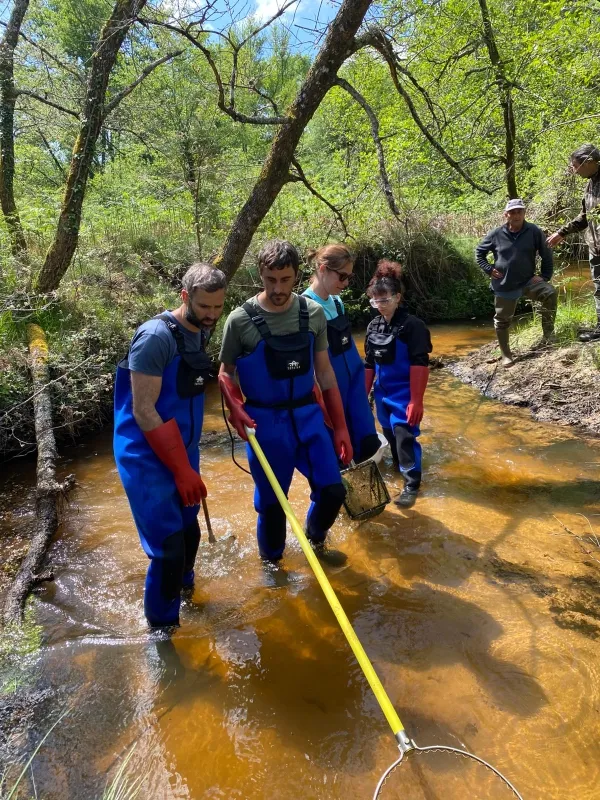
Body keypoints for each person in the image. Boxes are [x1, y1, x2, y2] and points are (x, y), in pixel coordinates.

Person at [218, 240, 352, 563]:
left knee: (334, 490)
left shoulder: (314, 313)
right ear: (260, 275)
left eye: (285, 279)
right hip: (265, 425)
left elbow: (326, 374)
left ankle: (315, 541)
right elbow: (225, 373)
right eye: (270, 279)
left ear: (296, 276)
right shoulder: (239, 321)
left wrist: (341, 428)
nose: (277, 288)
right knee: (272, 506)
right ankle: (272, 565)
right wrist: (235, 407)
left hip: (308, 418)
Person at [113, 263, 227, 629]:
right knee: (168, 549)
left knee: (189, 532)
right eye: (204, 306)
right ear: (185, 297)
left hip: (181, 447)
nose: (211, 315)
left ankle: (184, 593)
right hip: (145, 454)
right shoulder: (155, 337)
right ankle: (161, 634)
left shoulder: (199, 332)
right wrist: (180, 470)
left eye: (218, 307)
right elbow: (143, 411)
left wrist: (187, 462)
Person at [302, 244, 380, 464]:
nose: (346, 283)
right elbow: (311, 370)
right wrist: (325, 408)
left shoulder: (337, 303)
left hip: (352, 390)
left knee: (366, 445)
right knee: (336, 461)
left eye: (349, 277)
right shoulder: (305, 308)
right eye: (342, 276)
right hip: (331, 395)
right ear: (323, 269)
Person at [364, 261, 431, 509]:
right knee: (390, 435)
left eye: (385, 300)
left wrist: (416, 400)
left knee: (404, 436)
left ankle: (412, 484)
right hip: (382, 393)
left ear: (398, 297)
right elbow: (369, 365)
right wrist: (363, 396)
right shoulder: (373, 326)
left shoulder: (413, 326)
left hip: (405, 394)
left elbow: (420, 364)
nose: (380, 306)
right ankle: (399, 467)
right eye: (375, 301)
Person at [475, 198, 556, 368]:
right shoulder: (496, 234)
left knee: (549, 293)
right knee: (502, 321)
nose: (516, 215)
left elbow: (546, 252)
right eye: (512, 212)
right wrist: (489, 269)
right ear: (506, 215)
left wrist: (545, 275)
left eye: (520, 211)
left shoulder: (533, 231)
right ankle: (506, 355)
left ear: (524, 213)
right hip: (505, 284)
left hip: (528, 281)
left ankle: (548, 336)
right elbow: (479, 253)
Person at [547, 144, 600, 342]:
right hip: (595, 247)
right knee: (599, 288)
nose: (573, 170)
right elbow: (585, 216)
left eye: (576, 165)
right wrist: (562, 233)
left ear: (589, 162)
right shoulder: (590, 183)